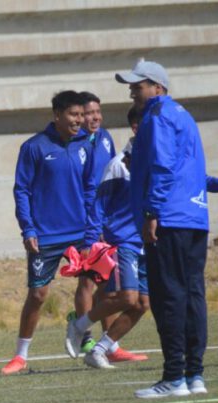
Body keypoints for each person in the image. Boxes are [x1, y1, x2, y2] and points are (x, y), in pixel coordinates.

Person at [116, 61, 209, 397]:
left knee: (168, 297)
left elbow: (163, 166)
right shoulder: (183, 115)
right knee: (192, 296)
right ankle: (194, 375)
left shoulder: (157, 116)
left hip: (168, 219)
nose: (131, 90)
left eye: (137, 85)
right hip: (194, 219)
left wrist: (152, 211)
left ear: (157, 86)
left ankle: (174, 377)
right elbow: (189, 169)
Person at [3, 91, 96, 375]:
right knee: (39, 294)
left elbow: (91, 188)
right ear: (57, 115)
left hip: (81, 232)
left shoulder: (85, 145)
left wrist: (93, 230)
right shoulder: (34, 147)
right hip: (45, 236)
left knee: (96, 286)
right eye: (73, 115)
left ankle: (93, 342)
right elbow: (22, 190)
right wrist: (28, 228)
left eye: (81, 115)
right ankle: (20, 356)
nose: (79, 121)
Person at [65, 106, 151, 369]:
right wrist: (91, 242)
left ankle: (99, 350)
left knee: (142, 304)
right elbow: (98, 206)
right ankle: (78, 325)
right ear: (137, 128)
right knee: (127, 297)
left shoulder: (156, 161)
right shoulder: (118, 166)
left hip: (148, 242)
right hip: (123, 241)